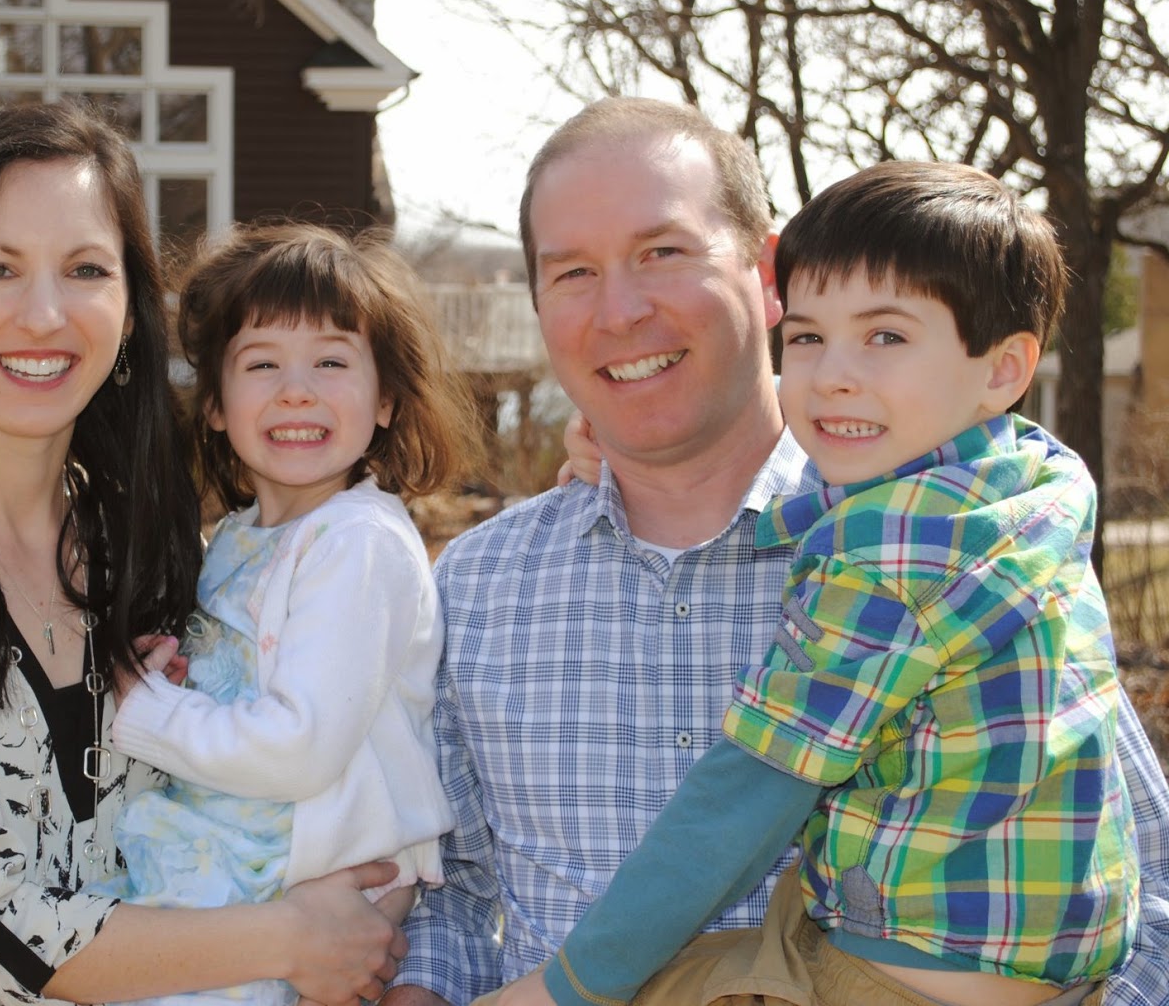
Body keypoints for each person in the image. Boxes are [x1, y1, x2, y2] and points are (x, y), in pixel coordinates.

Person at [382, 98, 1169, 1006]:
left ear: (767, 273)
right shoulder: (478, 583)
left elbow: (1144, 887)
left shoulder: (958, 539)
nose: (621, 310)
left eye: (661, 252)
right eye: (573, 272)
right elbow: (454, 890)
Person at [0, 103, 408, 1006]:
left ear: (129, 312)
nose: (45, 314)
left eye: (86, 269)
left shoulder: (148, 548)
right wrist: (292, 939)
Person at [99, 222, 482, 1006]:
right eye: (262, 363)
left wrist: (146, 709)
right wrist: (185, 675)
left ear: (384, 399)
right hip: (245, 853)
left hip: (311, 873)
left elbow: (301, 744)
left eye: (331, 362)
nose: (296, 389)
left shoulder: (357, 541)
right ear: (215, 404)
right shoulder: (241, 537)